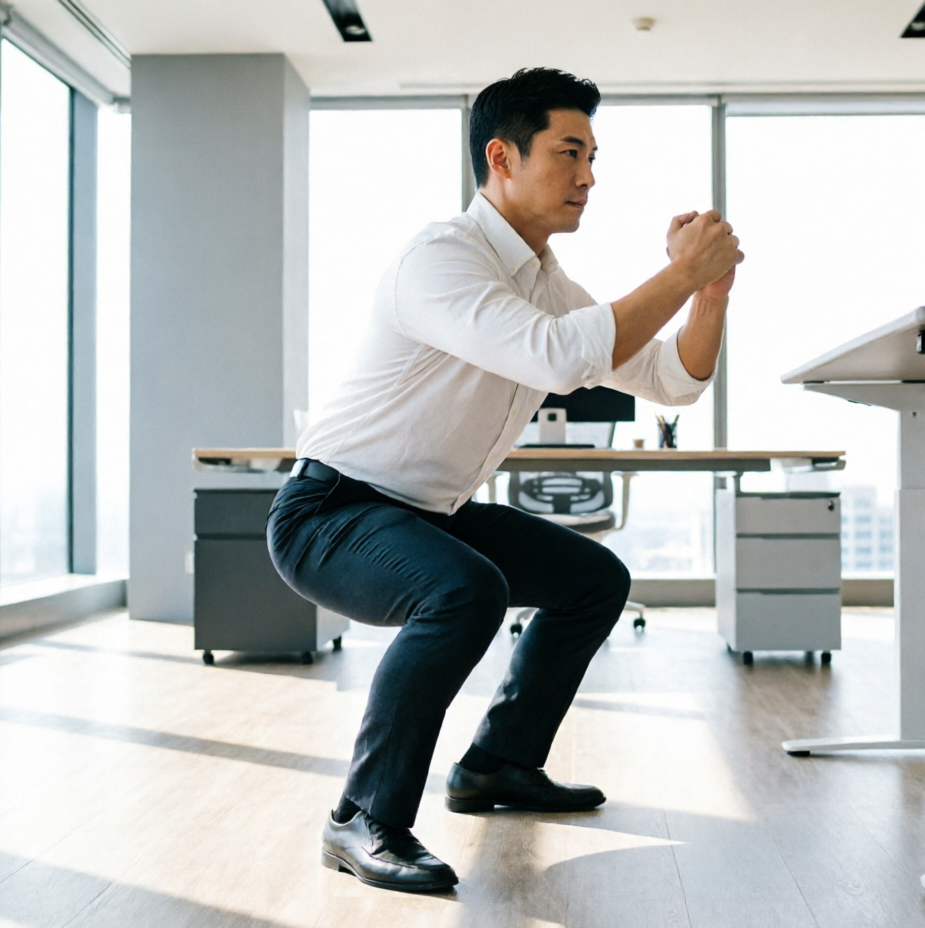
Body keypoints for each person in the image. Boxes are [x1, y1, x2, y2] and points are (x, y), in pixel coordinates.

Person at [267, 67, 742, 893]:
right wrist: (671, 277)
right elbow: (559, 359)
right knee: (465, 591)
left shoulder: (550, 284)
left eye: (594, 156)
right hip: (332, 510)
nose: (589, 177)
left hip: (428, 513)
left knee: (593, 579)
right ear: (502, 157)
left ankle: (498, 764)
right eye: (569, 152)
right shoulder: (440, 258)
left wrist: (706, 294)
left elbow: (674, 381)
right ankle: (361, 817)